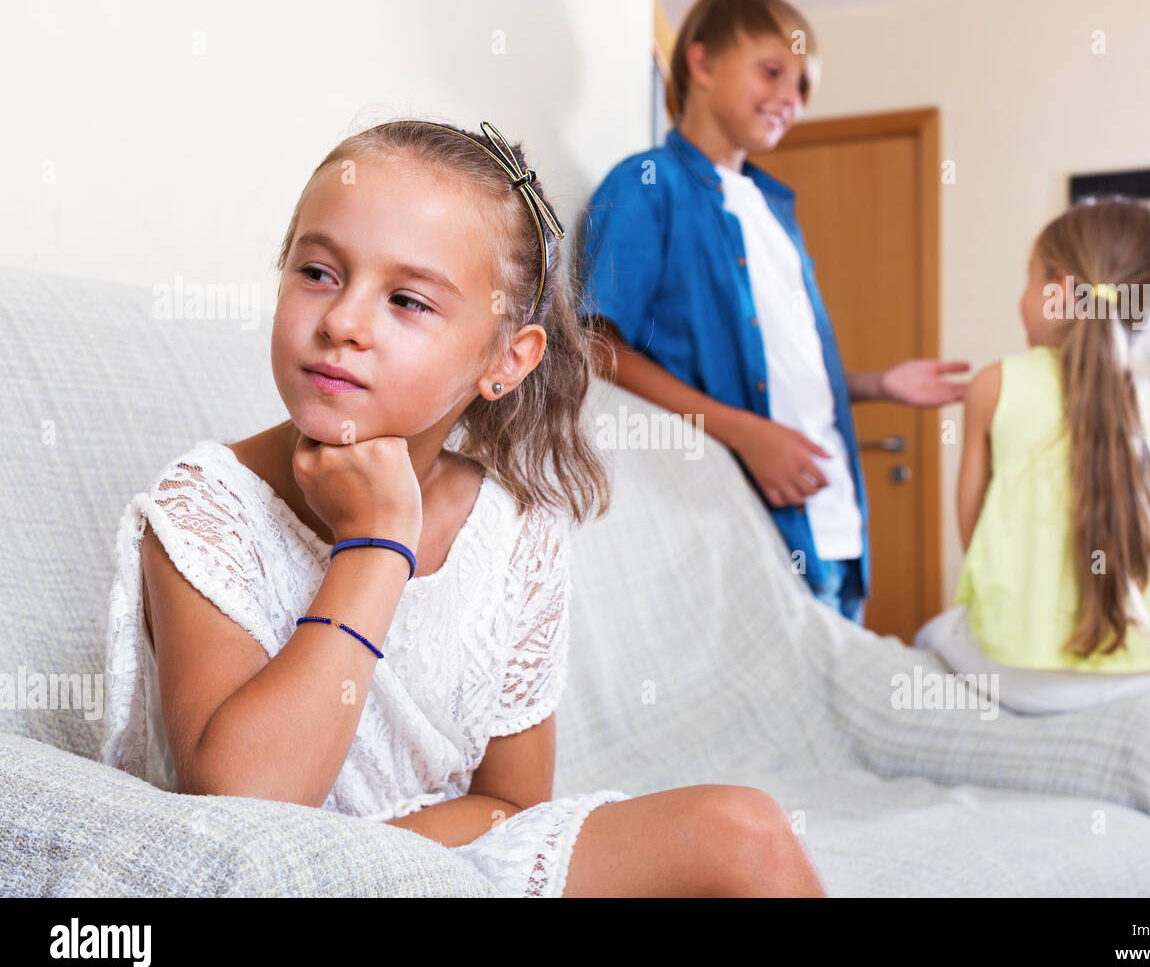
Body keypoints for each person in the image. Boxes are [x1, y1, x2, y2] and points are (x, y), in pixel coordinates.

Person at [100, 118, 826, 897]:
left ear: (506, 359)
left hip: (450, 867)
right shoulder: (206, 504)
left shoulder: (514, 530)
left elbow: (511, 803)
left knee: (747, 831)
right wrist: (374, 545)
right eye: (318, 272)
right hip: (280, 879)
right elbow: (244, 810)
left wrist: (399, 861)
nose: (343, 321)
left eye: (407, 300)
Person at [580, 0, 968, 626]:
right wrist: (745, 435)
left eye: (804, 85)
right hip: (742, 527)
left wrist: (878, 385)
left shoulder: (774, 210)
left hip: (835, 525)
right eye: (772, 71)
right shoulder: (649, 185)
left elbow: (778, 370)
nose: (792, 96)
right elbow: (597, 348)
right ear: (702, 63)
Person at [914, 196, 1150, 714]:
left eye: (1029, 280)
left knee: (930, 636)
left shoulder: (995, 386)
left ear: (1059, 291)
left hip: (1024, 674)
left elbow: (976, 539)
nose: (1022, 298)